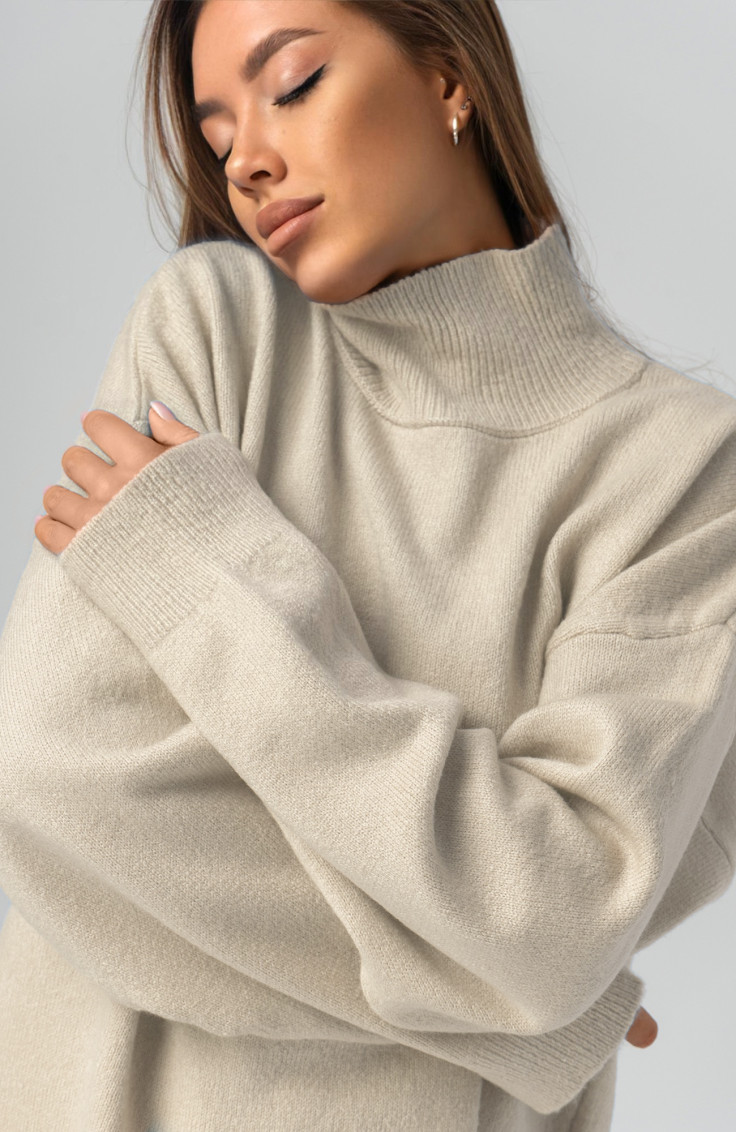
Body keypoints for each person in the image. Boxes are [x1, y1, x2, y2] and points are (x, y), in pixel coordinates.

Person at [0, 1, 732, 1129]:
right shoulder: (217, 330)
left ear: (449, 77)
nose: (245, 160)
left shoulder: (683, 471)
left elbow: (555, 923)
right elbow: (52, 778)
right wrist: (525, 1019)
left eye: (291, 83)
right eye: (216, 131)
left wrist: (202, 576)